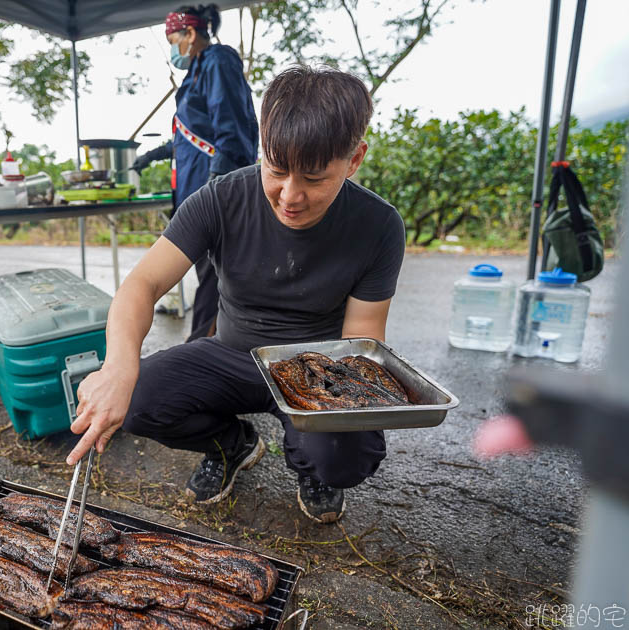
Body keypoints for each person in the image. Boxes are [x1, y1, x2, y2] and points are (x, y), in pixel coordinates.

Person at [68, 66, 405, 524]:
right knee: (141, 398)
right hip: (232, 354)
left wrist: (337, 412)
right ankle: (233, 445)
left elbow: (362, 336)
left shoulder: (378, 226)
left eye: (314, 178)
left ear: (355, 159)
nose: (290, 195)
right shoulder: (220, 198)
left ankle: (314, 466)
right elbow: (142, 285)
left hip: (316, 365)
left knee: (344, 456)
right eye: (277, 168)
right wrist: (117, 368)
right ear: (261, 147)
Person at [131, 4, 258, 341]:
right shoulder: (197, 71)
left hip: (213, 190)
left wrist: (218, 184)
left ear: (189, 33)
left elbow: (230, 127)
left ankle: (202, 346)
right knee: (210, 274)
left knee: (215, 276)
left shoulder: (218, 60)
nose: (173, 48)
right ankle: (207, 344)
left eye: (173, 39)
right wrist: (150, 156)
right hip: (195, 188)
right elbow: (188, 139)